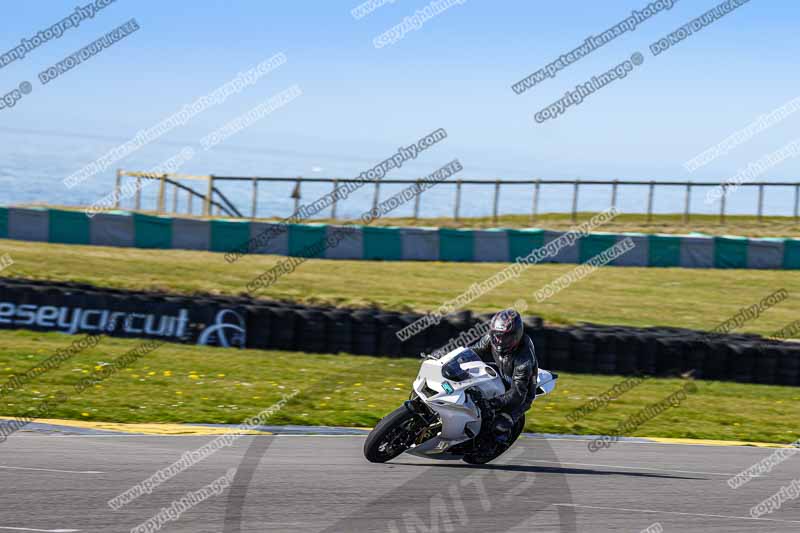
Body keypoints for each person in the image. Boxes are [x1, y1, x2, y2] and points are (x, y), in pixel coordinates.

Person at [467, 309, 538, 441]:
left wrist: (491, 403)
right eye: (497, 335)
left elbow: (517, 394)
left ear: (516, 335)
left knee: (497, 426)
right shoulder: (492, 338)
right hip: (501, 374)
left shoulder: (524, 360)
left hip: (521, 393)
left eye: (505, 337)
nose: (499, 341)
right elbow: (473, 352)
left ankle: (493, 441)